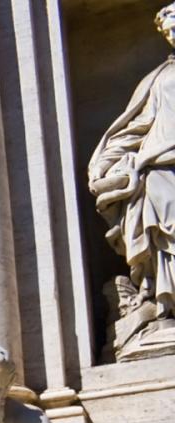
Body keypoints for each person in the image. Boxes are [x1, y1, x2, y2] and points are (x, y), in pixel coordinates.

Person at [88, 4, 175, 352]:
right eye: (168, 28)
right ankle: (165, 303)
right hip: (159, 167)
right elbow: (133, 128)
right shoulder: (157, 79)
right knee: (163, 231)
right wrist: (103, 166)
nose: (172, 32)